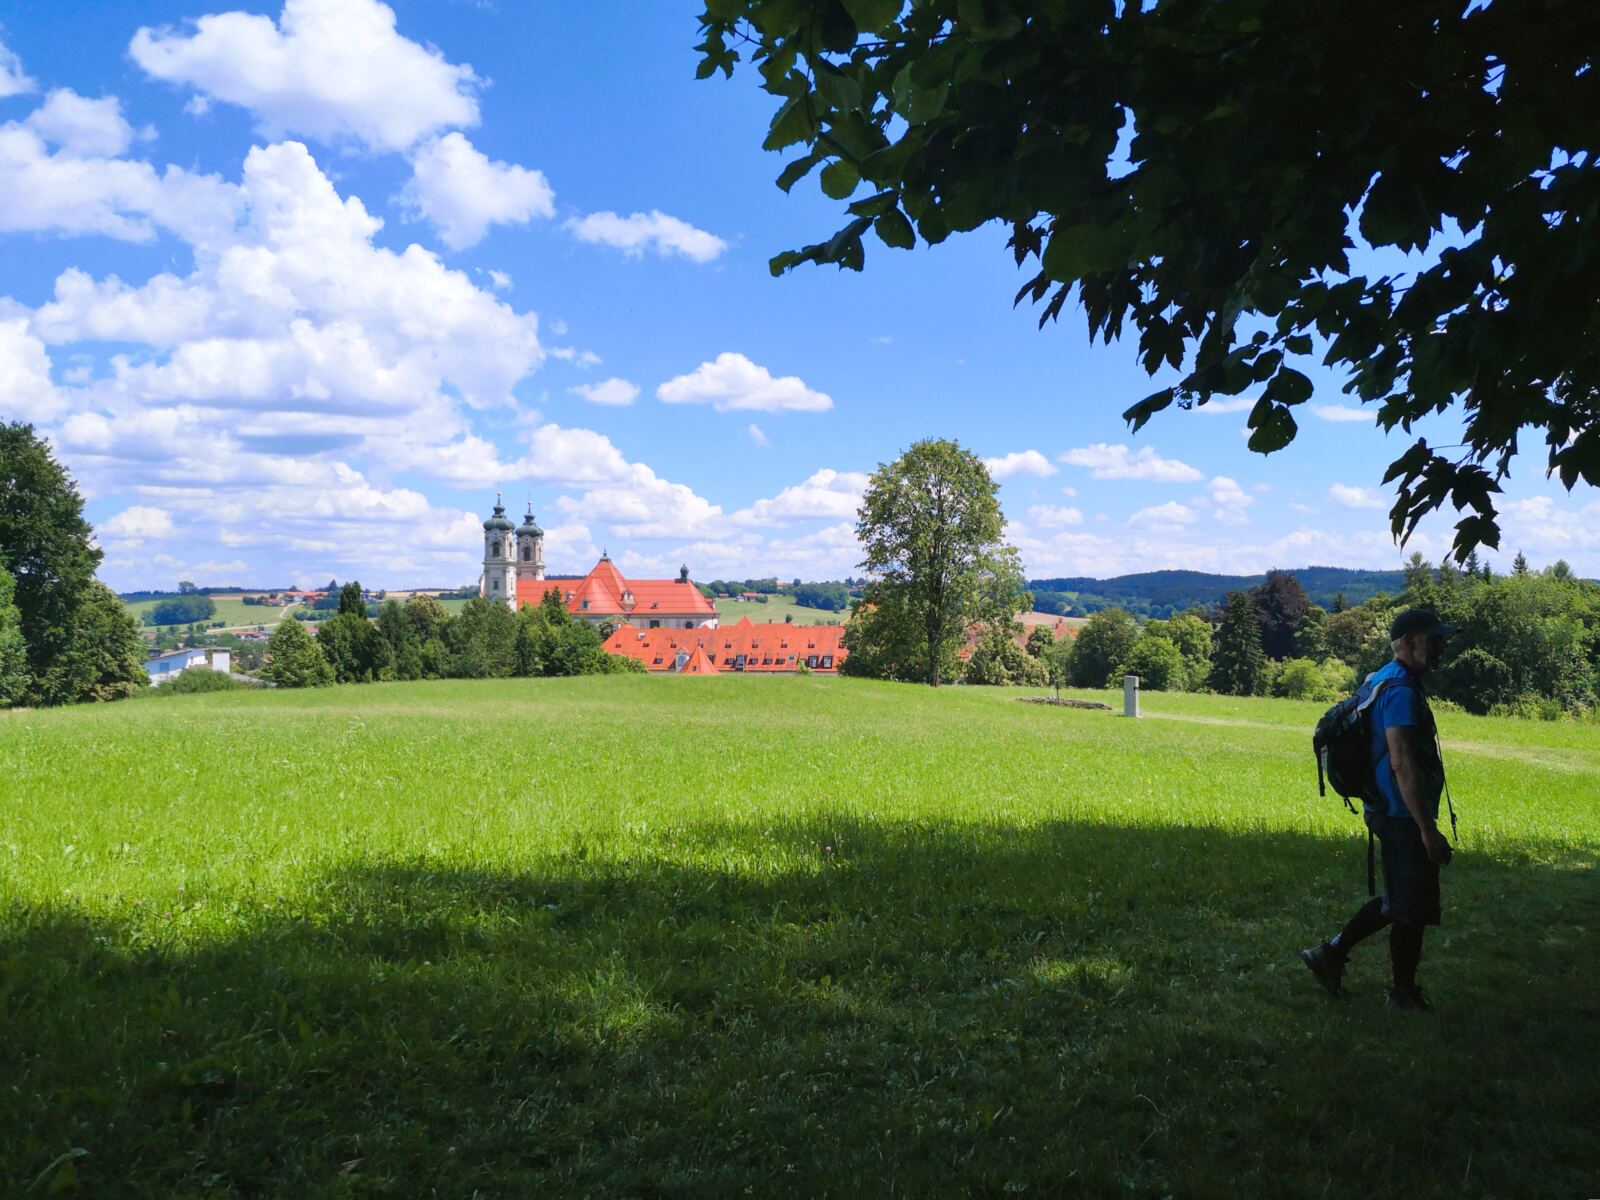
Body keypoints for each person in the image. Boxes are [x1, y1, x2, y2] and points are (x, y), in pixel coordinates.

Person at [1301, 607, 1456, 1011]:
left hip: (1388, 806)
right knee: (1408, 907)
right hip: (1401, 812)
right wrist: (1427, 829)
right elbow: (1402, 761)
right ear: (1408, 642)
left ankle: (1340, 958)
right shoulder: (1399, 690)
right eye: (1434, 639)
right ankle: (1394, 988)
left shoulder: (1382, 677)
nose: (1441, 646)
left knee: (1405, 900)